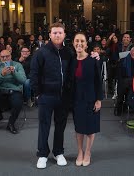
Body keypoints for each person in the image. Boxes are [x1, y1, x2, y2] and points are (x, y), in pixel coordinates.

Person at [30, 22, 99, 169]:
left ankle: (58, 152)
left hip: (63, 97)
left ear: (64, 35)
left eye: (60, 33)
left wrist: (95, 54)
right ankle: (42, 154)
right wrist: (37, 95)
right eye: (54, 32)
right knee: (44, 126)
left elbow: (83, 58)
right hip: (46, 96)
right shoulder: (41, 53)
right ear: (50, 34)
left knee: (60, 126)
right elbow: (34, 75)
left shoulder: (69, 53)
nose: (57, 35)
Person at [71, 33, 102, 167]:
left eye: (82, 41)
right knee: (79, 128)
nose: (79, 43)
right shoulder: (71, 61)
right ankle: (80, 152)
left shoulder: (93, 60)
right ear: (73, 43)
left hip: (91, 98)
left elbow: (98, 81)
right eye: (77, 41)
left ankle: (88, 152)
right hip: (76, 99)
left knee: (90, 128)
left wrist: (99, 99)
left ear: (86, 44)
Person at [0, 50, 26, 134]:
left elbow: (23, 80)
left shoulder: (17, 65)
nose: (5, 58)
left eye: (7, 56)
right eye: (2, 57)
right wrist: (1, 75)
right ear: (0, 57)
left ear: (10, 56)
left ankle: (11, 123)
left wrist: (14, 72)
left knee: (17, 102)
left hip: (14, 90)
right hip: (0, 89)